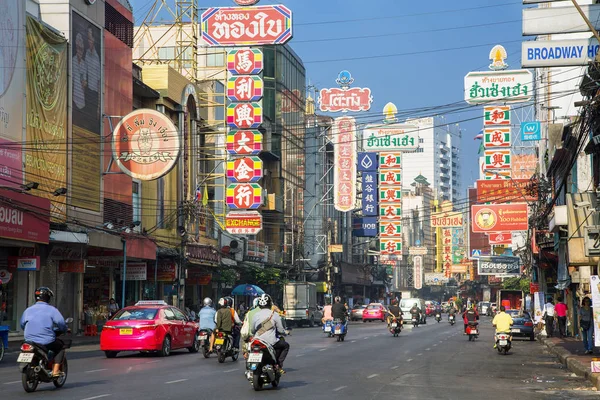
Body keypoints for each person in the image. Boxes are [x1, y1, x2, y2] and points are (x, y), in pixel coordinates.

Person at [20, 287, 68, 378]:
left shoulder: (28, 310)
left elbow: (22, 324)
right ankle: (55, 371)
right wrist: (64, 329)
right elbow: (61, 323)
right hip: (45, 341)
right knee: (61, 346)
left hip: (28, 340)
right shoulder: (52, 310)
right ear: (48, 297)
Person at [251, 294, 289, 373]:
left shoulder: (255, 315)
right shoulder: (274, 315)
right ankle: (278, 364)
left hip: (257, 340)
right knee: (285, 345)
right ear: (270, 304)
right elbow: (281, 330)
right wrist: (285, 332)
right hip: (271, 342)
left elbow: (252, 330)